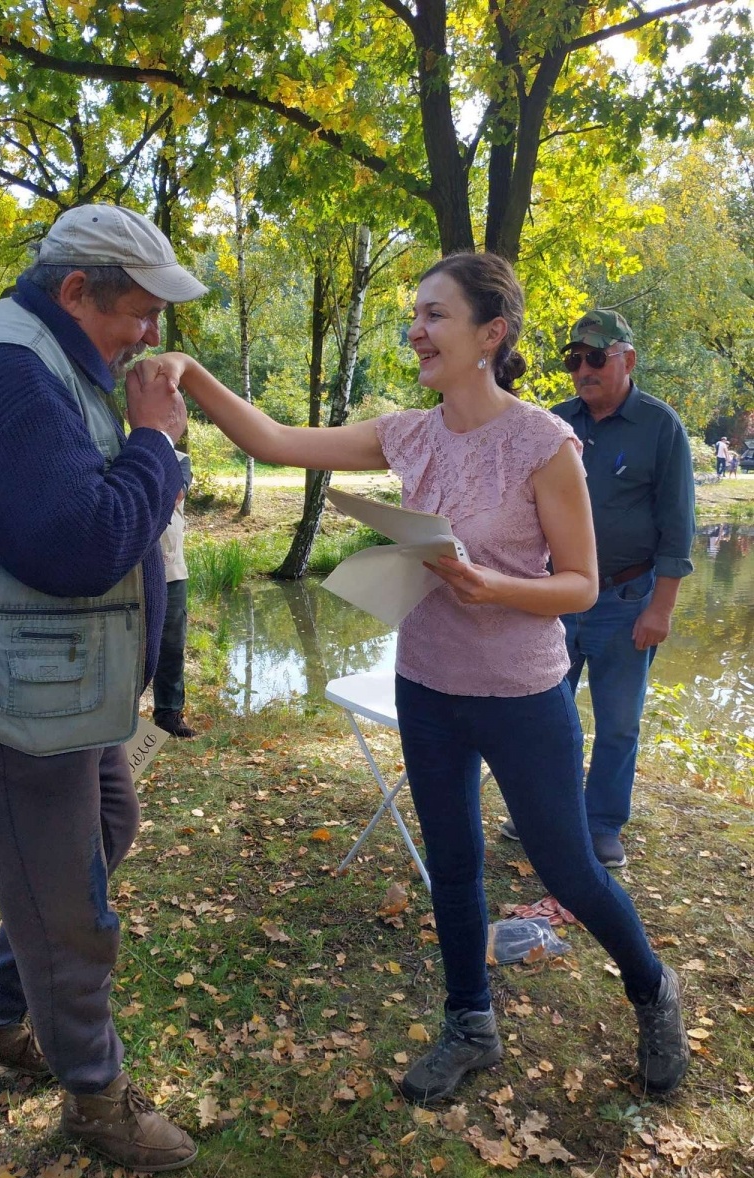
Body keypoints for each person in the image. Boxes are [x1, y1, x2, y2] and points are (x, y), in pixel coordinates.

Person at [142, 253, 690, 1105]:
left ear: (490, 335)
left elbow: (580, 585)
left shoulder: (544, 443)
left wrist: (492, 585)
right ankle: (470, 1022)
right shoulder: (409, 431)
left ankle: (654, 991)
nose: (416, 330)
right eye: (414, 314)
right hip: (428, 685)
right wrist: (192, 371)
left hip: (521, 694)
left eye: (435, 314)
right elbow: (277, 441)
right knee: (454, 858)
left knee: (570, 868)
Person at [0, 204, 206, 1174]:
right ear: (75, 290)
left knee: (109, 823)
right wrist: (156, 443)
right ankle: (96, 1100)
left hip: (56, 686)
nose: (148, 334)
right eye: (137, 313)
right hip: (6, 699)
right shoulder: (6, 371)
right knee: (69, 907)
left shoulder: (54, 355)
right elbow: (82, 542)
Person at [503, 310, 695, 869]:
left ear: (626, 360)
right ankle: (545, 812)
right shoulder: (555, 424)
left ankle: (603, 822)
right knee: (544, 713)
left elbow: (678, 528)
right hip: (557, 596)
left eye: (594, 358)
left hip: (626, 599)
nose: (582, 370)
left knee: (617, 722)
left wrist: (661, 607)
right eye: (573, 360)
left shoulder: (662, 427)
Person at [154, 450, 196, 737]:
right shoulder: (118, 448)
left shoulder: (180, 459)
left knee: (171, 645)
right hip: (127, 569)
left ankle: (169, 714)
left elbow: (174, 495)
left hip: (171, 571)